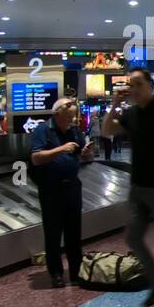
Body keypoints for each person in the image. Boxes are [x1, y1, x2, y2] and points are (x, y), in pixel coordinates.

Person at [103, 69, 154, 307]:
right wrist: (114, 105)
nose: (134, 89)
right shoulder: (131, 113)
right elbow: (107, 131)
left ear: (150, 85)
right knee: (133, 238)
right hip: (138, 188)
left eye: (138, 84)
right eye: (131, 85)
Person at [30, 98, 95, 287]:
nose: (71, 120)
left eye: (72, 116)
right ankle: (56, 273)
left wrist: (85, 152)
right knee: (53, 233)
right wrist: (61, 149)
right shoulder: (43, 130)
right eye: (67, 116)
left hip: (72, 187)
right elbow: (36, 157)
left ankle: (76, 272)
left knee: (74, 232)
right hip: (51, 188)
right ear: (57, 114)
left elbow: (80, 154)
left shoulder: (74, 131)